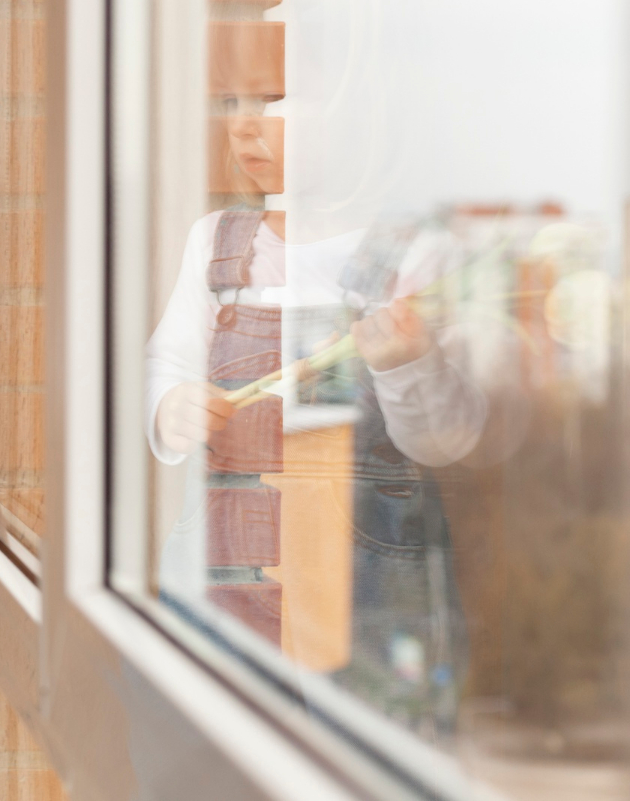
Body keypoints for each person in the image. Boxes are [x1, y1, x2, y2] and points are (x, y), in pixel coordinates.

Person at [148, 106, 485, 734]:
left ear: (353, 113)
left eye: (274, 103)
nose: (244, 125)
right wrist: (170, 407)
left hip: (368, 578)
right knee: (213, 740)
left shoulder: (415, 254)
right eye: (233, 105)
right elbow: (168, 360)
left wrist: (408, 364)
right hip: (226, 562)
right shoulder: (218, 242)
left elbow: (448, 438)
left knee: (364, 745)